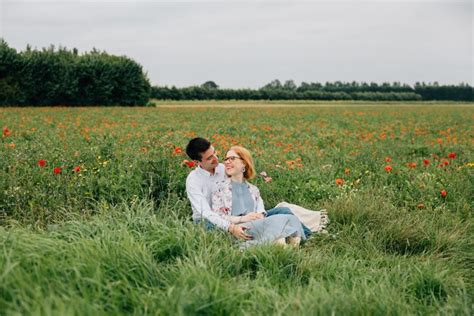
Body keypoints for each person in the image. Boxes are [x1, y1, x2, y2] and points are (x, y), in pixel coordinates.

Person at [185, 137, 312, 241]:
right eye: (209, 158)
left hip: (236, 215)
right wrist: (231, 227)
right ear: (197, 162)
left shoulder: (223, 168)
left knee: (283, 210)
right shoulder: (194, 180)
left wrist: (260, 214)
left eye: (215, 153)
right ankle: (274, 236)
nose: (216, 159)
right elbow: (206, 213)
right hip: (209, 221)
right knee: (239, 228)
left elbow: (248, 191)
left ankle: (308, 234)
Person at [212, 146, 306, 248]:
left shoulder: (254, 190)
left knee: (290, 217)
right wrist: (243, 218)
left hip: (258, 224)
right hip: (238, 229)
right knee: (279, 221)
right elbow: (218, 217)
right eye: (226, 159)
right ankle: (280, 241)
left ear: (244, 163)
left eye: (232, 158)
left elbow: (261, 211)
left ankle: (288, 243)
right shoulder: (219, 189)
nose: (227, 162)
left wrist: (260, 215)